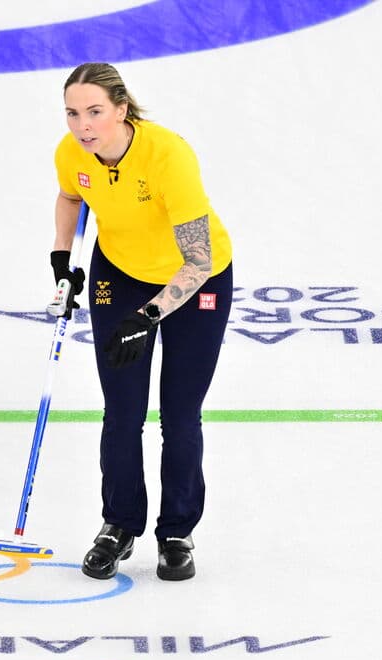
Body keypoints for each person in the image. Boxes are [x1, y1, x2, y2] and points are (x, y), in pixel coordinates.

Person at [50, 63, 233, 581]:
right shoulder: (72, 153)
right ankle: (119, 524)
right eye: (72, 113)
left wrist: (148, 315)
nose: (83, 125)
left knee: (179, 414)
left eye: (95, 112)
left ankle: (176, 531)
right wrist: (61, 260)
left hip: (198, 277)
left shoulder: (168, 156)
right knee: (122, 411)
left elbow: (196, 262)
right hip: (121, 273)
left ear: (121, 110)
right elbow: (70, 196)